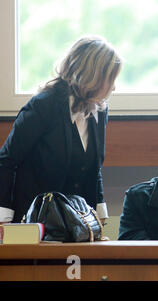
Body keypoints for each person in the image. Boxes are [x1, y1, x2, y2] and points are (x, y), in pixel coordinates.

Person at [0, 36, 122, 234]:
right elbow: (6, 160)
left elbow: (92, 167)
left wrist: (99, 214)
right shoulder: (43, 105)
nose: (114, 87)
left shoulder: (100, 110)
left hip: (78, 223)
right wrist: (3, 218)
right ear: (92, 76)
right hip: (35, 223)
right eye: (110, 79)